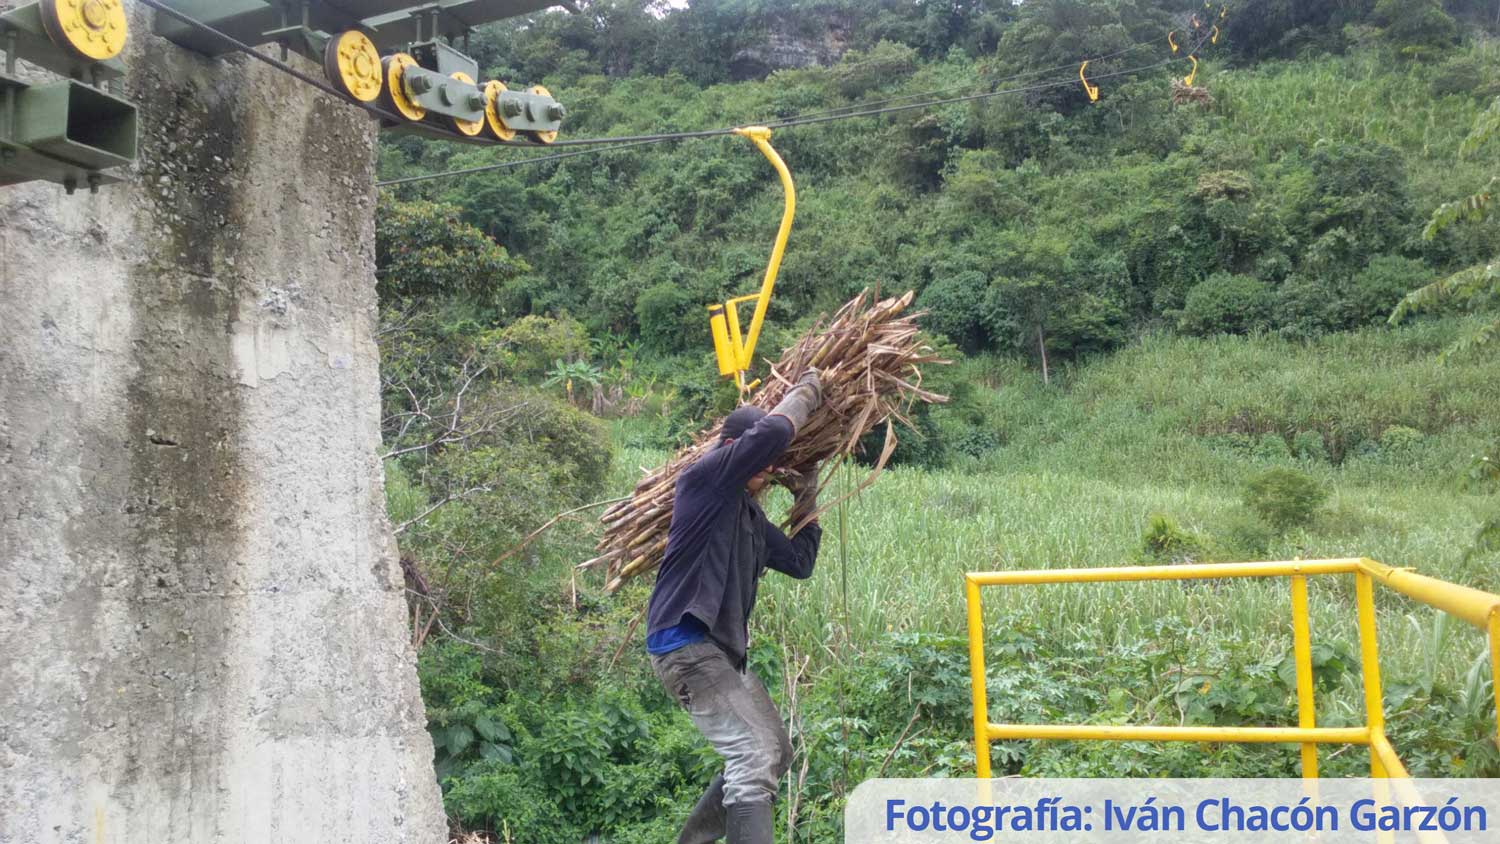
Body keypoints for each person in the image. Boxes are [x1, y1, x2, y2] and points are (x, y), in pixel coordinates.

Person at [645, 367, 825, 844]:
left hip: (717, 654)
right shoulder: (705, 480)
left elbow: (800, 561)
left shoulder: (746, 513)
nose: (767, 468)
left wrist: (807, 489)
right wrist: (807, 389)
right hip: (685, 643)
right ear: (731, 450)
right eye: (760, 461)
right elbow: (771, 433)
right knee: (752, 751)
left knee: (775, 751)